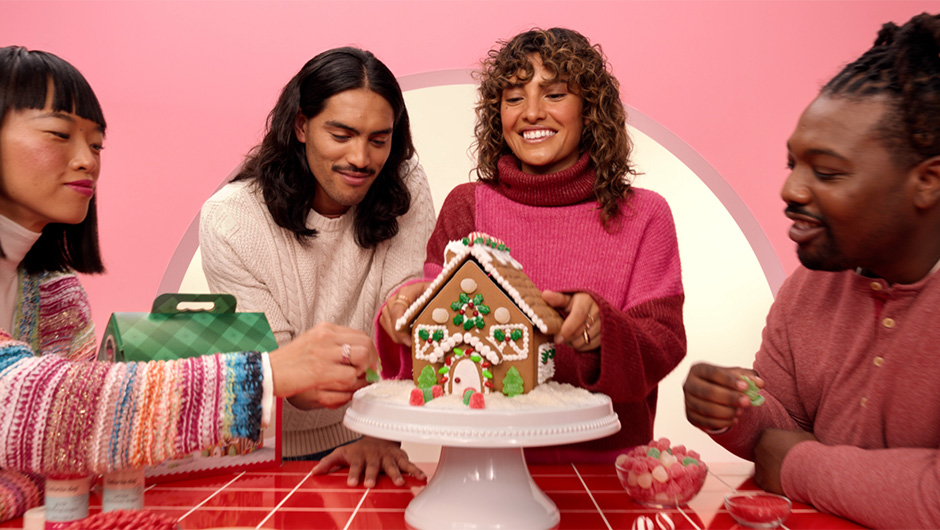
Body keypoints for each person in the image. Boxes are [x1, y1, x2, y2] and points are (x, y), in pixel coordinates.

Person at [0, 46, 379, 523]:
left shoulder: (53, 290)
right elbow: (40, 408)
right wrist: (269, 374)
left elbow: (70, 449)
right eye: (59, 134)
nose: (86, 162)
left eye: (96, 144)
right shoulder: (231, 215)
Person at [377, 28, 686, 464]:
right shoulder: (468, 206)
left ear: (591, 110)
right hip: (481, 464)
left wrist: (604, 333)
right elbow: (435, 338)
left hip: (606, 468)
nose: (532, 113)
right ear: (497, 113)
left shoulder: (645, 214)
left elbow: (665, 342)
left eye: (555, 94)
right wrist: (403, 309)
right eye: (514, 97)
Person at [682, 12, 940, 529]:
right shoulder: (812, 285)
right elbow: (780, 430)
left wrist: (798, 464)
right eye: (792, 165)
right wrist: (738, 410)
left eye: (826, 172)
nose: (791, 191)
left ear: (928, 181)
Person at [199, 47, 435, 486]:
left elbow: (407, 323)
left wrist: (381, 430)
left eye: (378, 140)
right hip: (270, 453)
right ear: (301, 126)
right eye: (341, 135)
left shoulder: (405, 184)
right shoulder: (231, 219)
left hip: (376, 437)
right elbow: (290, 378)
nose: (362, 159)